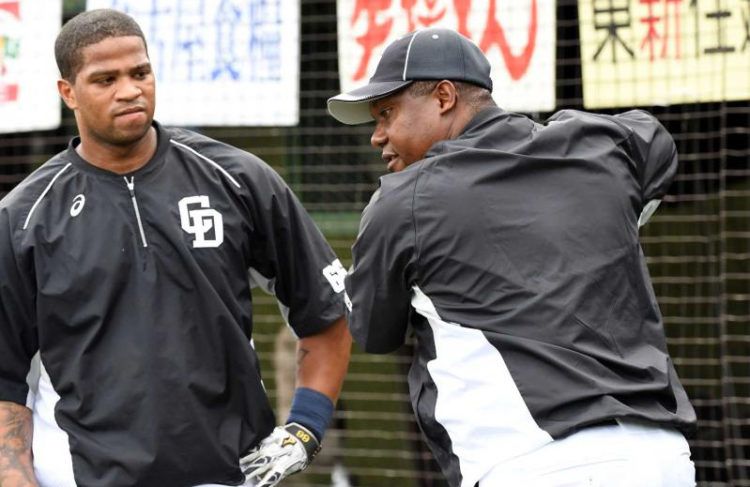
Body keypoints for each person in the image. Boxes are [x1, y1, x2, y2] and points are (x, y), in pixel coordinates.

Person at [327, 28, 697, 487]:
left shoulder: (402, 202)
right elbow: (654, 140)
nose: (377, 136)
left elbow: (374, 332)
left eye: (387, 113)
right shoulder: (598, 147)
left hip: (538, 463)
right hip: (664, 458)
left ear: (444, 96)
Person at [0, 9, 351, 487]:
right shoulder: (24, 217)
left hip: (230, 472)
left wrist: (305, 429)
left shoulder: (237, 179)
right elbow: (5, 375)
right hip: (80, 475)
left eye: (139, 72)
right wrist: (15, 476)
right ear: (68, 93)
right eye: (105, 79)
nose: (129, 90)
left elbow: (326, 313)